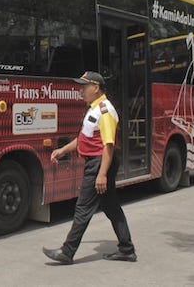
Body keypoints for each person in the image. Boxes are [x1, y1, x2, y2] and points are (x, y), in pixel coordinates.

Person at [42, 71, 136, 264]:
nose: (80, 91)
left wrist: (101, 174)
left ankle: (67, 252)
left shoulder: (105, 111)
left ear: (96, 88)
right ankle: (126, 249)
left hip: (99, 164)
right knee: (111, 207)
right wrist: (62, 150)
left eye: (84, 87)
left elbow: (108, 146)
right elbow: (84, 139)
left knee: (83, 207)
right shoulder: (93, 109)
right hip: (97, 163)